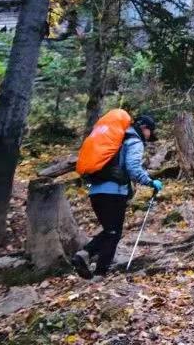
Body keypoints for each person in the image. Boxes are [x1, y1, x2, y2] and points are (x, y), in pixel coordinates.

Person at [72, 114, 162, 279]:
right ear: (144, 128)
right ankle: (97, 270)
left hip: (95, 192)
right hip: (113, 193)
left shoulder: (116, 141)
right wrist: (150, 182)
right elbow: (133, 168)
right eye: (150, 131)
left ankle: (87, 258)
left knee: (110, 231)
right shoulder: (134, 141)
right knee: (113, 232)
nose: (149, 136)